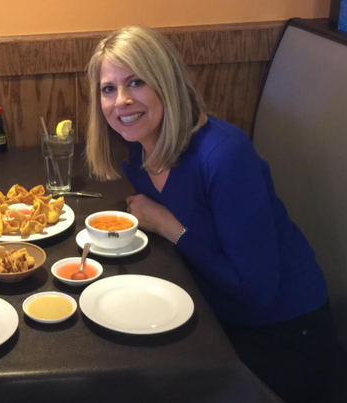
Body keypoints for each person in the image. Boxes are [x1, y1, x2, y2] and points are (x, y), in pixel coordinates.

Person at [85, 26, 339, 403]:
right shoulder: (135, 152)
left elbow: (257, 293)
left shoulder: (224, 154)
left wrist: (169, 227)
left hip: (281, 334)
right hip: (213, 314)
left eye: (136, 82)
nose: (121, 100)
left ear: (167, 82)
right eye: (108, 89)